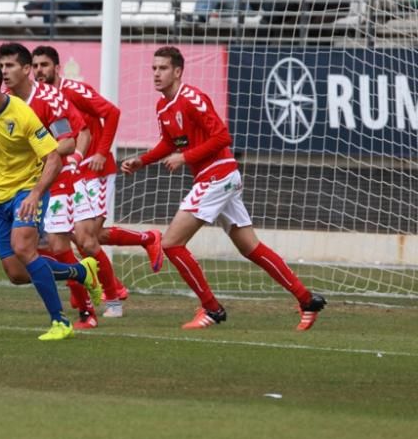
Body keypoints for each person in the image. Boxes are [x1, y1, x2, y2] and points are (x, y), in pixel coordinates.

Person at [120, 46, 327, 330]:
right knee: (250, 247)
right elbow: (171, 142)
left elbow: (222, 136)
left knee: (171, 243)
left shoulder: (192, 98)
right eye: (154, 68)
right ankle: (307, 299)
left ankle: (212, 309)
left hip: (217, 176)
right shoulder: (162, 106)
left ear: (178, 71)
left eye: (163, 68)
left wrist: (186, 157)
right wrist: (141, 161)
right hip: (218, 177)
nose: (156, 74)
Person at [0, 56, 90, 341]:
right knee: (16, 273)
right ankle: (79, 271)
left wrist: (37, 194)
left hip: (27, 190)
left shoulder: (22, 113)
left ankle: (60, 322)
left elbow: (53, 156)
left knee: (23, 248)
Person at [32, 45, 164, 320]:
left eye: (44, 65)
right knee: (77, 237)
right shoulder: (39, 99)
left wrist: (101, 153)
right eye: (35, 66)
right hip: (69, 174)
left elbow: (112, 112)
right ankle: (145, 239)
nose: (39, 71)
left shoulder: (75, 91)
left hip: (94, 171)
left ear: (57, 68)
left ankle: (112, 296)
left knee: (85, 239)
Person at [0, 42, 102, 330]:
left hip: (52, 180)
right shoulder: (2, 102)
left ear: (26, 69)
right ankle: (82, 273)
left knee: (58, 244)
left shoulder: (49, 98)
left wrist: (37, 150)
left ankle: (84, 312)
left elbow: (68, 140)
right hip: (17, 185)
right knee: (16, 272)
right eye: (1, 66)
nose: (4, 72)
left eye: (10, 66)